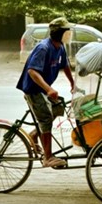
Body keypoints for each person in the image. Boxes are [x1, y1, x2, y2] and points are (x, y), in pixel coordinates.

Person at [16, 17, 75, 168]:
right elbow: (32, 71)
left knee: (58, 107)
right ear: (59, 33)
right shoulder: (44, 48)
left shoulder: (60, 47)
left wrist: (73, 83)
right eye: (67, 32)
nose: (69, 35)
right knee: (46, 118)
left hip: (43, 89)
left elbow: (66, 65)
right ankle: (47, 158)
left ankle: (35, 134)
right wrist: (49, 89)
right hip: (34, 89)